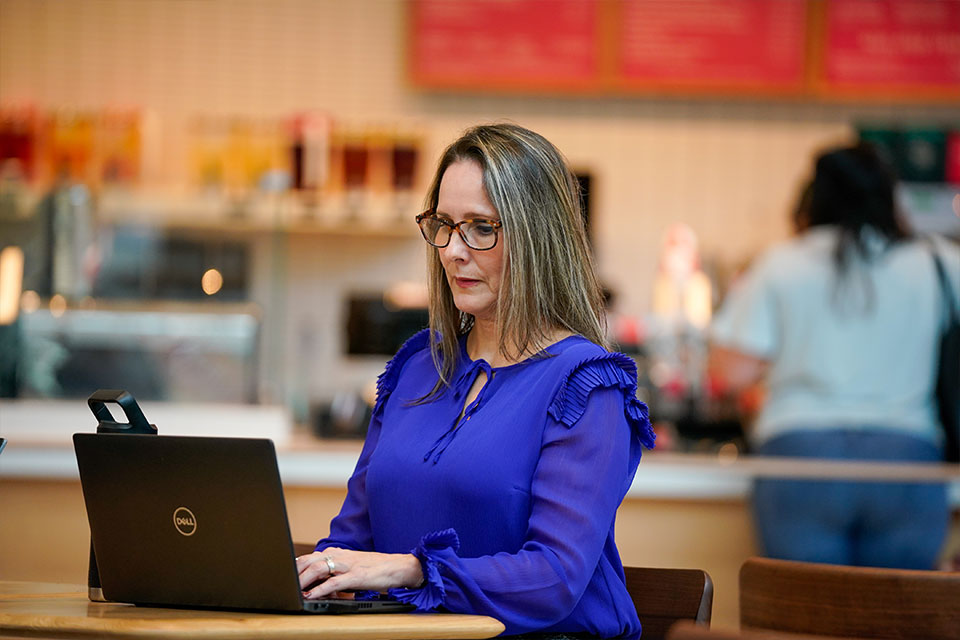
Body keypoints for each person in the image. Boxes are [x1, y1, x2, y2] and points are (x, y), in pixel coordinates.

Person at [297, 123, 655, 638]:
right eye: (444, 224)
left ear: (539, 239)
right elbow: (350, 543)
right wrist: (312, 574)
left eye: (481, 227)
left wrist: (413, 569)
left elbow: (554, 578)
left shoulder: (587, 386)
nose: (451, 251)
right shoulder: (417, 368)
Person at [709, 142, 960, 570]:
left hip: (800, 455)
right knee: (899, 620)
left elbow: (729, 372)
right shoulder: (940, 263)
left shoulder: (780, 264)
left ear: (813, 196)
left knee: (803, 618)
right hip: (908, 459)